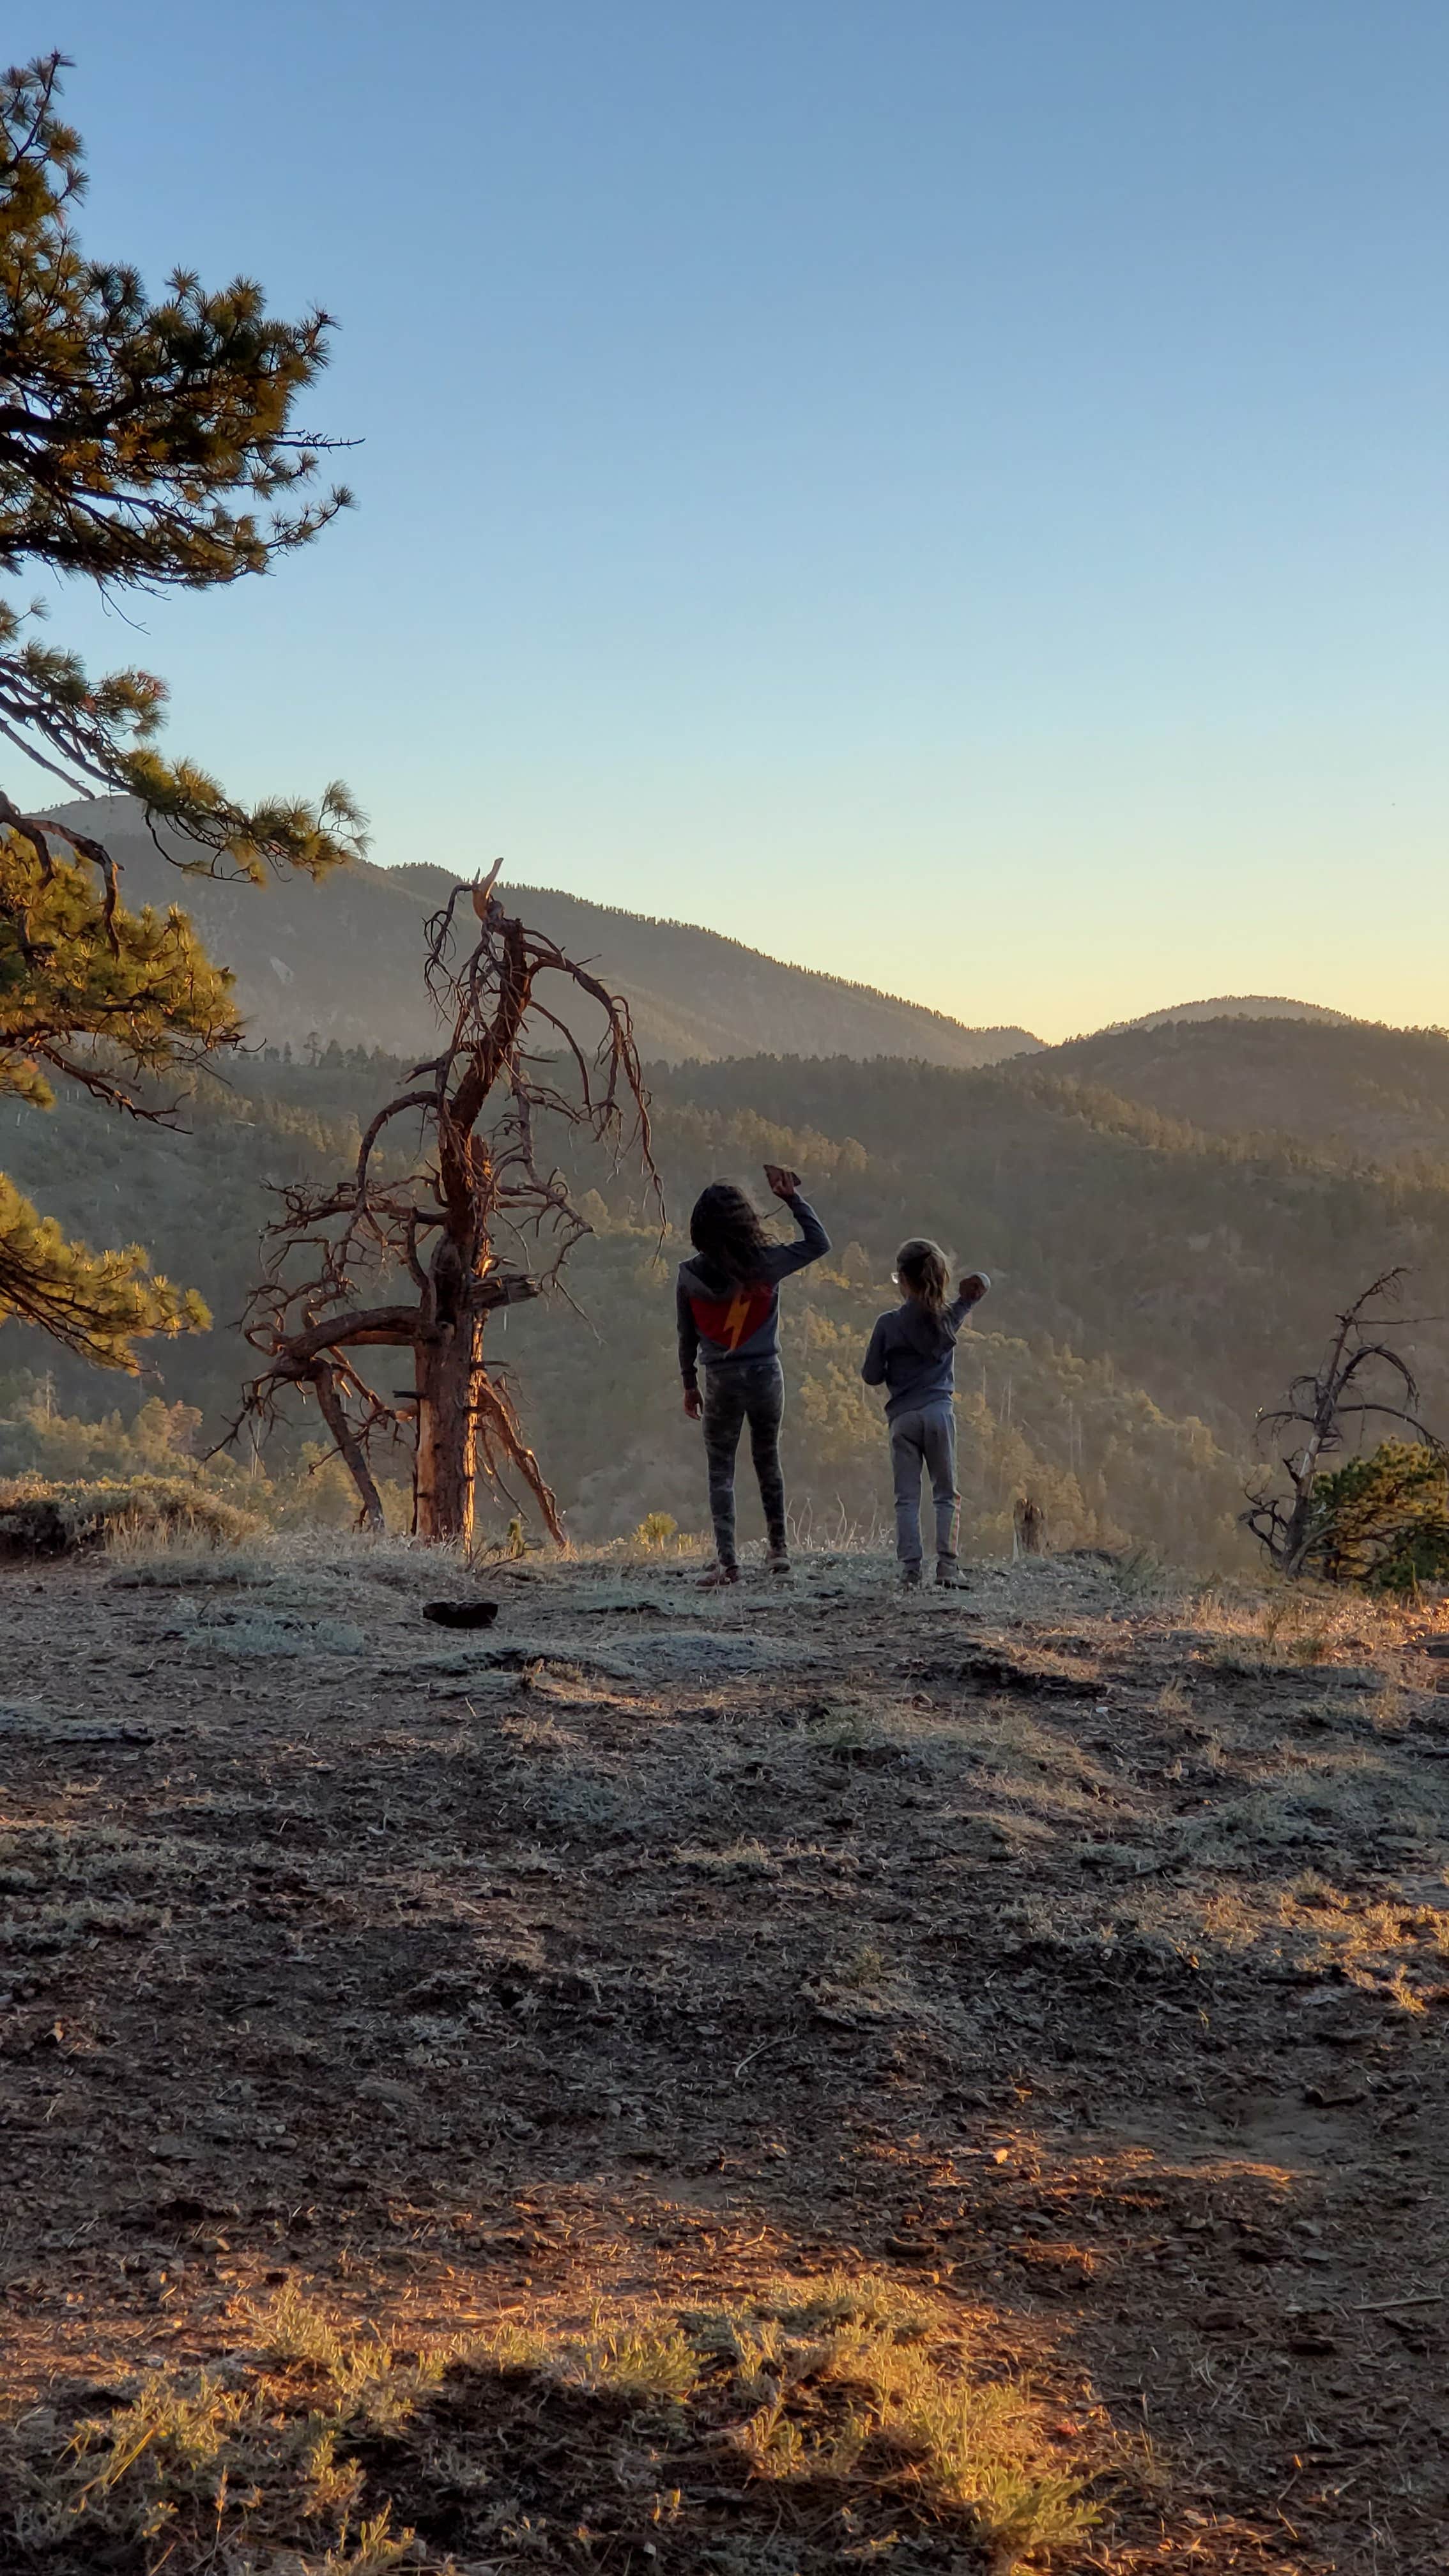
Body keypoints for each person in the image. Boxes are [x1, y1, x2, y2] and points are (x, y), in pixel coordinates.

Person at [677, 1164, 830, 1585]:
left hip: (721, 1379)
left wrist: (689, 1384)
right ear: (747, 1222)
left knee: (720, 1469)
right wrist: (792, 1199)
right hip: (766, 1374)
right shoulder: (768, 1263)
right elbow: (819, 1243)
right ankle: (778, 1551)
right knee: (768, 1459)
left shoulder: (690, 1275)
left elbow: (686, 1333)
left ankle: (728, 1564)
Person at [861, 1239, 990, 1588]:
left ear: (902, 1280)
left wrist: (893, 1366)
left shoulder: (887, 1324)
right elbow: (968, 1301)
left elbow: (870, 1375)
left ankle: (910, 1570)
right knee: (945, 1493)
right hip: (938, 1415)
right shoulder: (945, 1320)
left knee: (907, 1496)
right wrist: (970, 1294)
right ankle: (947, 1566)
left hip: (902, 1419)